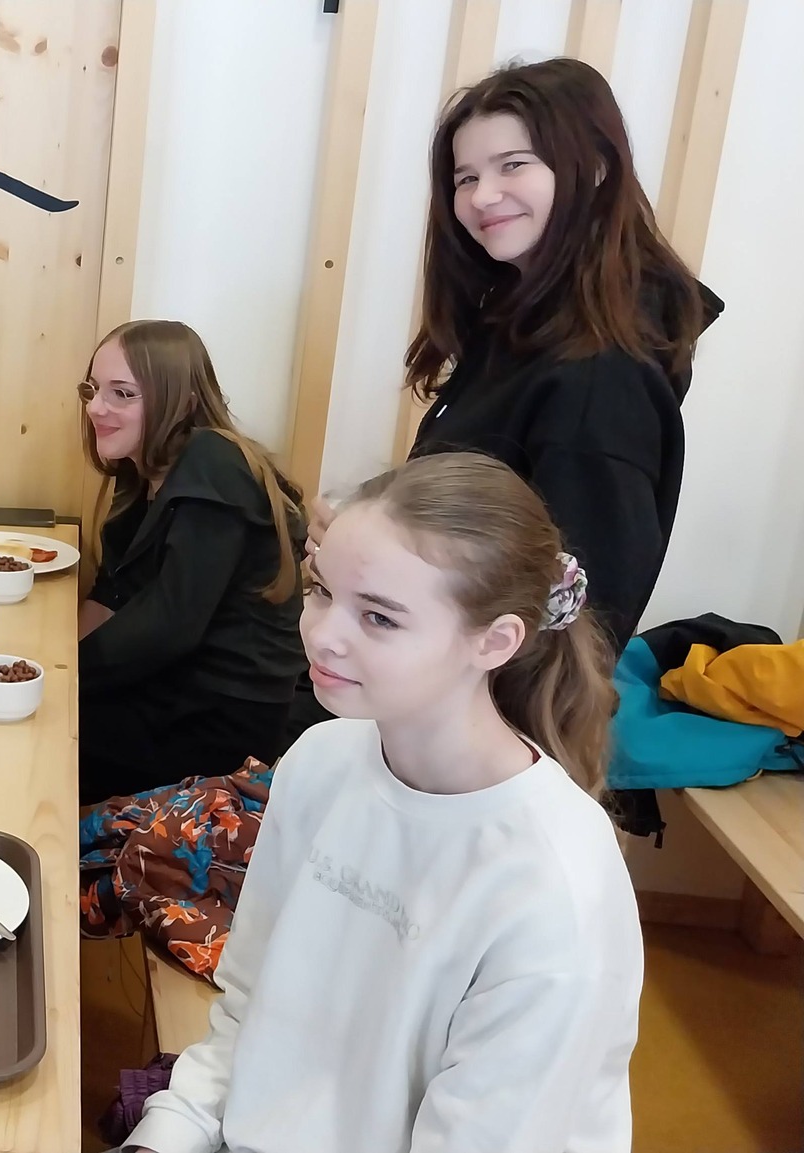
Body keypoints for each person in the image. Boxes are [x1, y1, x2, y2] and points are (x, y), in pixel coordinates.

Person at [123, 453, 639, 1153]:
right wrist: (165, 1133)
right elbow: (247, 1009)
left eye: (379, 617)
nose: (322, 634)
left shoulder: (553, 887)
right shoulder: (322, 761)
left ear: (495, 641)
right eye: (321, 590)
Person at [309, 57, 722, 650]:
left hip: (491, 700)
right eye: (465, 178)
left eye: (513, 165)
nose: (483, 196)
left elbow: (579, 621)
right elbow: (476, 535)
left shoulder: (599, 379)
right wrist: (366, 536)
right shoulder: (515, 332)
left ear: (597, 167)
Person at [77, 320, 307, 804]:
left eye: (122, 394)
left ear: (181, 403)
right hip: (170, 689)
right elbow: (111, 595)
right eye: (93, 389)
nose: (96, 407)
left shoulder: (214, 461)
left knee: (46, 736)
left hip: (219, 723)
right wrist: (45, 664)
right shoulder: (142, 472)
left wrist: (58, 678)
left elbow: (169, 623)